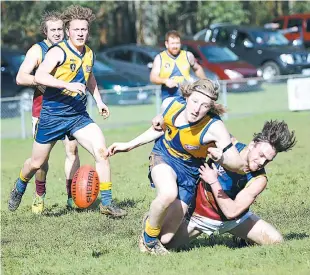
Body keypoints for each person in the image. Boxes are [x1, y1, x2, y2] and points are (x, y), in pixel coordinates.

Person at [8, 5, 126, 217]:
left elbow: (90, 78)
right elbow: (41, 76)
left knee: (101, 152)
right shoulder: (58, 51)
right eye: (76, 29)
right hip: (53, 116)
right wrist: (67, 85)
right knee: (36, 163)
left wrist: (99, 101)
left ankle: (107, 203)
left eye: (84, 30)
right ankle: (20, 184)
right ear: (68, 31)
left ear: (88, 32)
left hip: (78, 116)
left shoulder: (89, 53)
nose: (80, 33)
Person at [107, 79, 246, 255]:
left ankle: (151, 221)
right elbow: (160, 128)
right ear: (187, 97)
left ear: (210, 107)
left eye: (204, 105)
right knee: (168, 193)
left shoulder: (215, 126)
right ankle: (149, 242)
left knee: (166, 238)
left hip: (190, 172)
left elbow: (238, 164)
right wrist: (128, 145)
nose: (196, 109)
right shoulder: (171, 104)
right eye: (195, 101)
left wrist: (223, 158)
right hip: (164, 155)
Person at [167, 120, 296, 249]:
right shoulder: (228, 144)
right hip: (200, 215)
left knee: (276, 241)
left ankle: (243, 239)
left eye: (268, 160)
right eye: (261, 155)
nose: (262, 162)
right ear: (252, 145)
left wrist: (213, 181)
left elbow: (232, 212)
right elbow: (197, 128)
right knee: (167, 244)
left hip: (234, 221)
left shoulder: (259, 179)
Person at [16, 10, 80, 214]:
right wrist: (41, 80)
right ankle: (39, 195)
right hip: (43, 111)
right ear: (45, 32)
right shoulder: (38, 50)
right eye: (53, 30)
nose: (57, 33)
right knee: (41, 161)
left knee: (72, 151)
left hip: (70, 109)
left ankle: (71, 197)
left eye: (60, 29)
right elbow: (20, 77)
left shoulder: (72, 48)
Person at [150, 30, 206, 101]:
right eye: (172, 43)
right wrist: (165, 81)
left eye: (177, 43)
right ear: (166, 44)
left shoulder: (188, 55)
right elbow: (153, 77)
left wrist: (205, 82)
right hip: (168, 98)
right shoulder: (160, 58)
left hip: (187, 96)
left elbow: (197, 68)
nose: (175, 46)